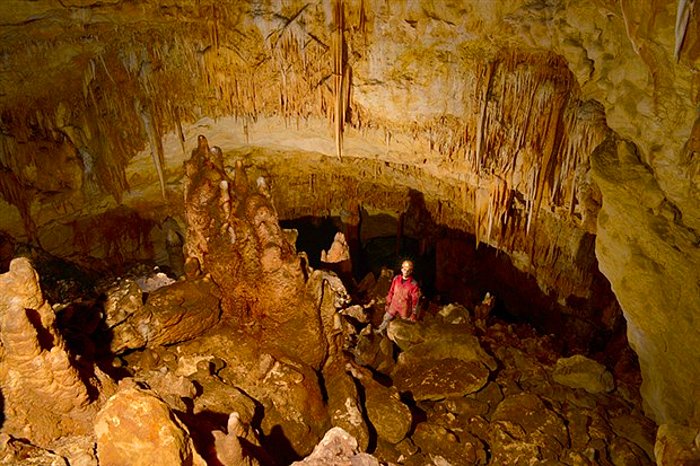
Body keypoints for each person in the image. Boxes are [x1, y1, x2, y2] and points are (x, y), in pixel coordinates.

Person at [375, 260, 421, 333]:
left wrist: (413, 313)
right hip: (394, 305)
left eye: (408, 270)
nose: (406, 272)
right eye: (405, 269)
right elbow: (391, 291)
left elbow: (415, 301)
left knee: (404, 326)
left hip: (404, 308)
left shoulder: (413, 284)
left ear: (411, 271)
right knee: (386, 318)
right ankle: (380, 331)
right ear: (402, 269)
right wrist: (388, 303)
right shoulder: (396, 279)